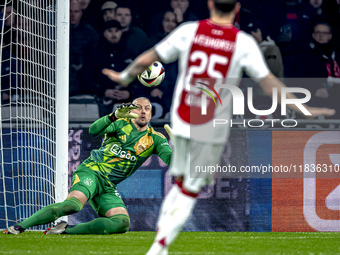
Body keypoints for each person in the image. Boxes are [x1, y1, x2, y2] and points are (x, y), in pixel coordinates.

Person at [102, 0, 335, 254]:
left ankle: (161, 243)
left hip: (180, 119)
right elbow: (269, 83)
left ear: (210, 4)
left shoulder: (189, 30)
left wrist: (124, 76)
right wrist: (304, 108)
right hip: (209, 126)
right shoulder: (243, 42)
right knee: (189, 188)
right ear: (236, 8)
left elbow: (150, 57)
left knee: (181, 182)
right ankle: (159, 246)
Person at [4, 98, 172, 235]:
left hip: (107, 186)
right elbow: (93, 130)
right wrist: (113, 116)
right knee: (73, 205)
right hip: (91, 171)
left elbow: (173, 162)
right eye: (138, 107)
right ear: (131, 111)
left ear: (151, 114)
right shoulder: (120, 124)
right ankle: (19, 227)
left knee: (121, 223)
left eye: (147, 108)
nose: (143, 111)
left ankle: (65, 230)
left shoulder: (156, 139)